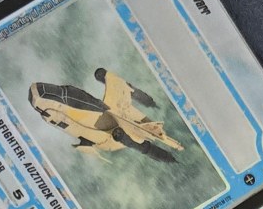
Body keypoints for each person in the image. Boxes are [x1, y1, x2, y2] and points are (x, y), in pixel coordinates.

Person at [28, 69, 185, 164]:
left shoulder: (55, 104)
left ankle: (150, 103)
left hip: (110, 122)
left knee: (122, 95)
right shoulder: (52, 113)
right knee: (129, 138)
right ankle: (148, 107)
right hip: (107, 135)